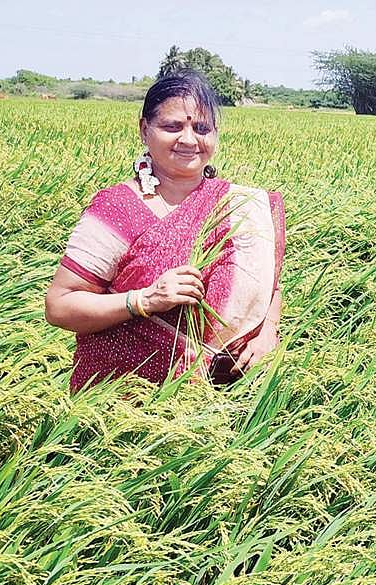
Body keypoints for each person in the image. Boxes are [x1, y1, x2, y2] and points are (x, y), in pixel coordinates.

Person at [44, 70, 285, 391]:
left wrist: (269, 331)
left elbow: (268, 286)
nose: (189, 139)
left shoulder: (239, 206)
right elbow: (59, 306)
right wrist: (145, 300)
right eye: (172, 127)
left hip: (222, 394)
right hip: (118, 397)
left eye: (201, 128)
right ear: (145, 130)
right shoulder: (118, 207)